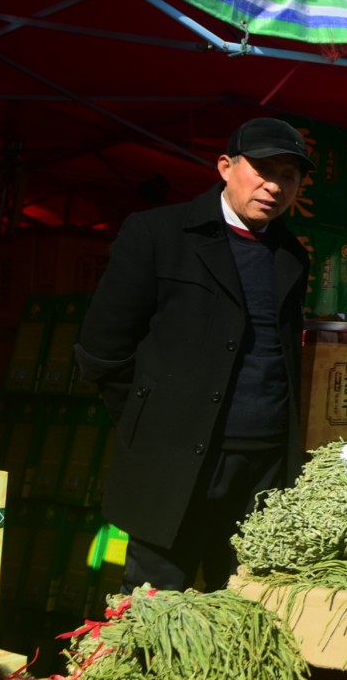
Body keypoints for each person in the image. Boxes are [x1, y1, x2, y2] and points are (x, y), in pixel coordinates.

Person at [75, 117, 315, 593]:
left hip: (264, 466)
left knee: (247, 604)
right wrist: (151, 421)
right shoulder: (159, 234)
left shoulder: (291, 253)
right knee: (159, 608)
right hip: (176, 460)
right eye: (263, 169)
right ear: (226, 166)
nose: (274, 186)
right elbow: (103, 349)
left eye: (288, 176)